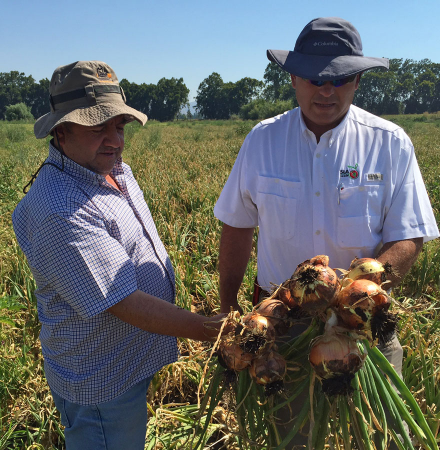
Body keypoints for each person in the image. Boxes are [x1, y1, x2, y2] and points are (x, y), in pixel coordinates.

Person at [214, 17, 439, 448]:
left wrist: (361, 292)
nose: (326, 90)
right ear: (294, 77)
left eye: (340, 79)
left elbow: (409, 235)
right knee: (292, 436)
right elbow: (237, 227)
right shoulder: (262, 141)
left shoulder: (389, 143)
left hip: (363, 321)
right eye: (315, 78)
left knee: (380, 435)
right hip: (284, 325)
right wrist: (230, 316)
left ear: (357, 81)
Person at [12, 60, 226, 450]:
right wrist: (213, 329)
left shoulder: (111, 169)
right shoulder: (59, 208)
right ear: (62, 131)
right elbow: (121, 301)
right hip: (101, 384)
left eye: (120, 125)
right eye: (98, 127)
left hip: (124, 364)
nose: (115, 139)